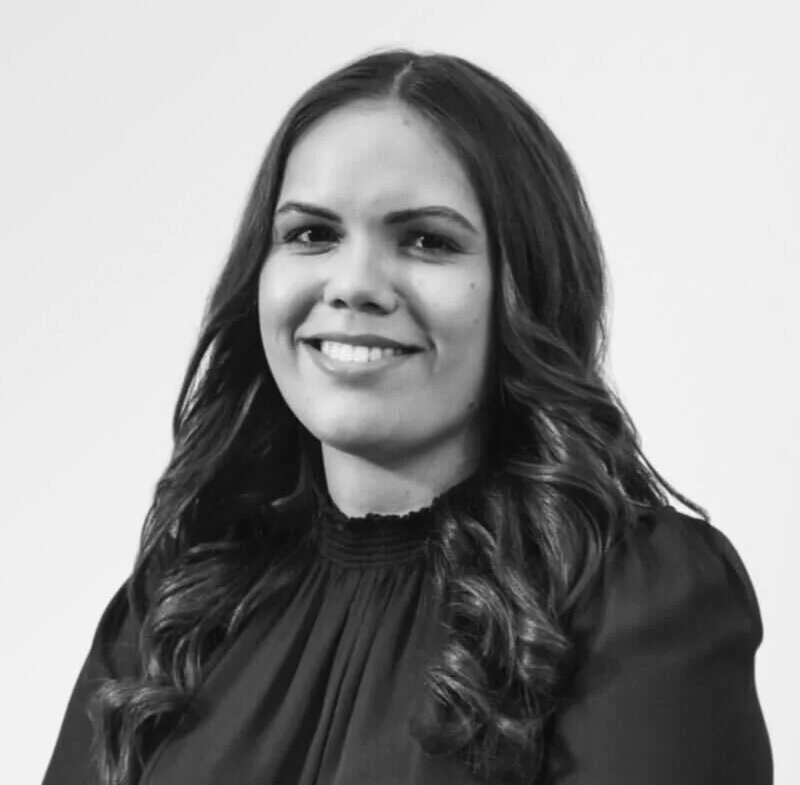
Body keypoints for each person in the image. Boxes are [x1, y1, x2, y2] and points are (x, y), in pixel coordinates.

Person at [42, 47, 772, 785]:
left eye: (427, 240)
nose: (353, 284)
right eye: (311, 234)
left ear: (526, 288)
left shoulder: (637, 598)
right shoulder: (177, 606)